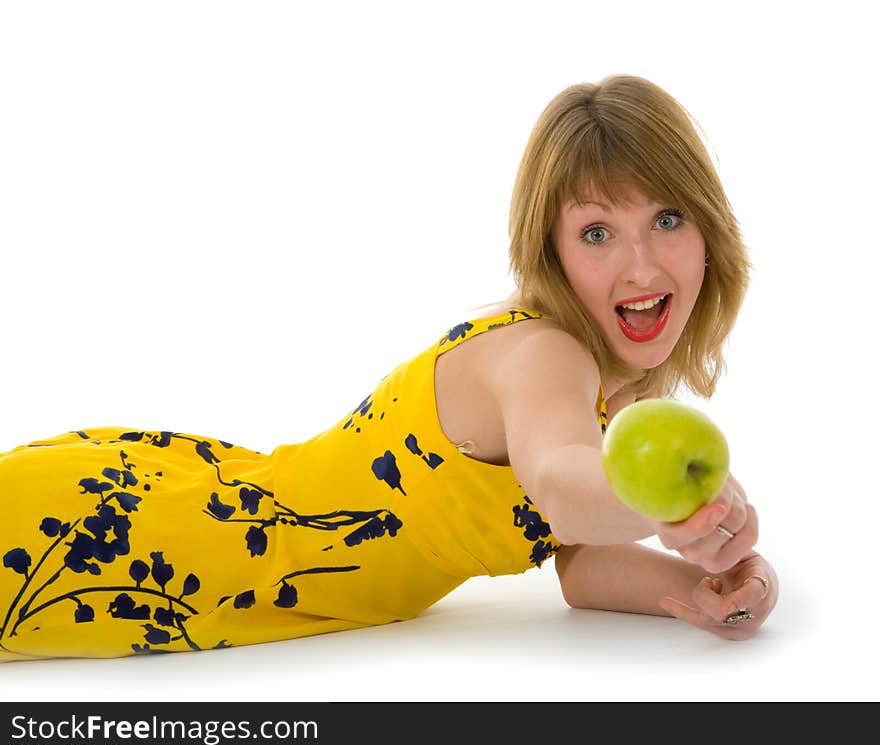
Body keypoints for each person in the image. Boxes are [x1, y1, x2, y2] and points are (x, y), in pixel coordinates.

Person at [0, 74, 777, 662]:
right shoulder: (546, 354)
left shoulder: (599, 380)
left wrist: (704, 586)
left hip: (225, 523)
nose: (639, 266)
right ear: (552, 250)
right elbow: (565, 487)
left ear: (709, 228)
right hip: (179, 548)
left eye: (666, 219)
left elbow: (577, 559)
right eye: (597, 233)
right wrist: (677, 510)